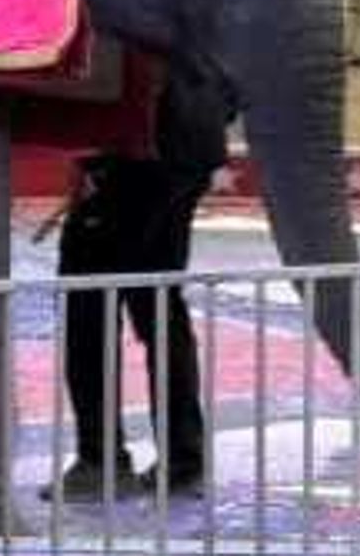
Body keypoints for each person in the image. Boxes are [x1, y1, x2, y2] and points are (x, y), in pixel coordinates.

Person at [48, 72, 226, 501]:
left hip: (136, 145)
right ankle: (184, 459)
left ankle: (101, 459)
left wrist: (94, 155)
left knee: (91, 310)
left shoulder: (126, 7)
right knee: (159, 304)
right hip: (190, 142)